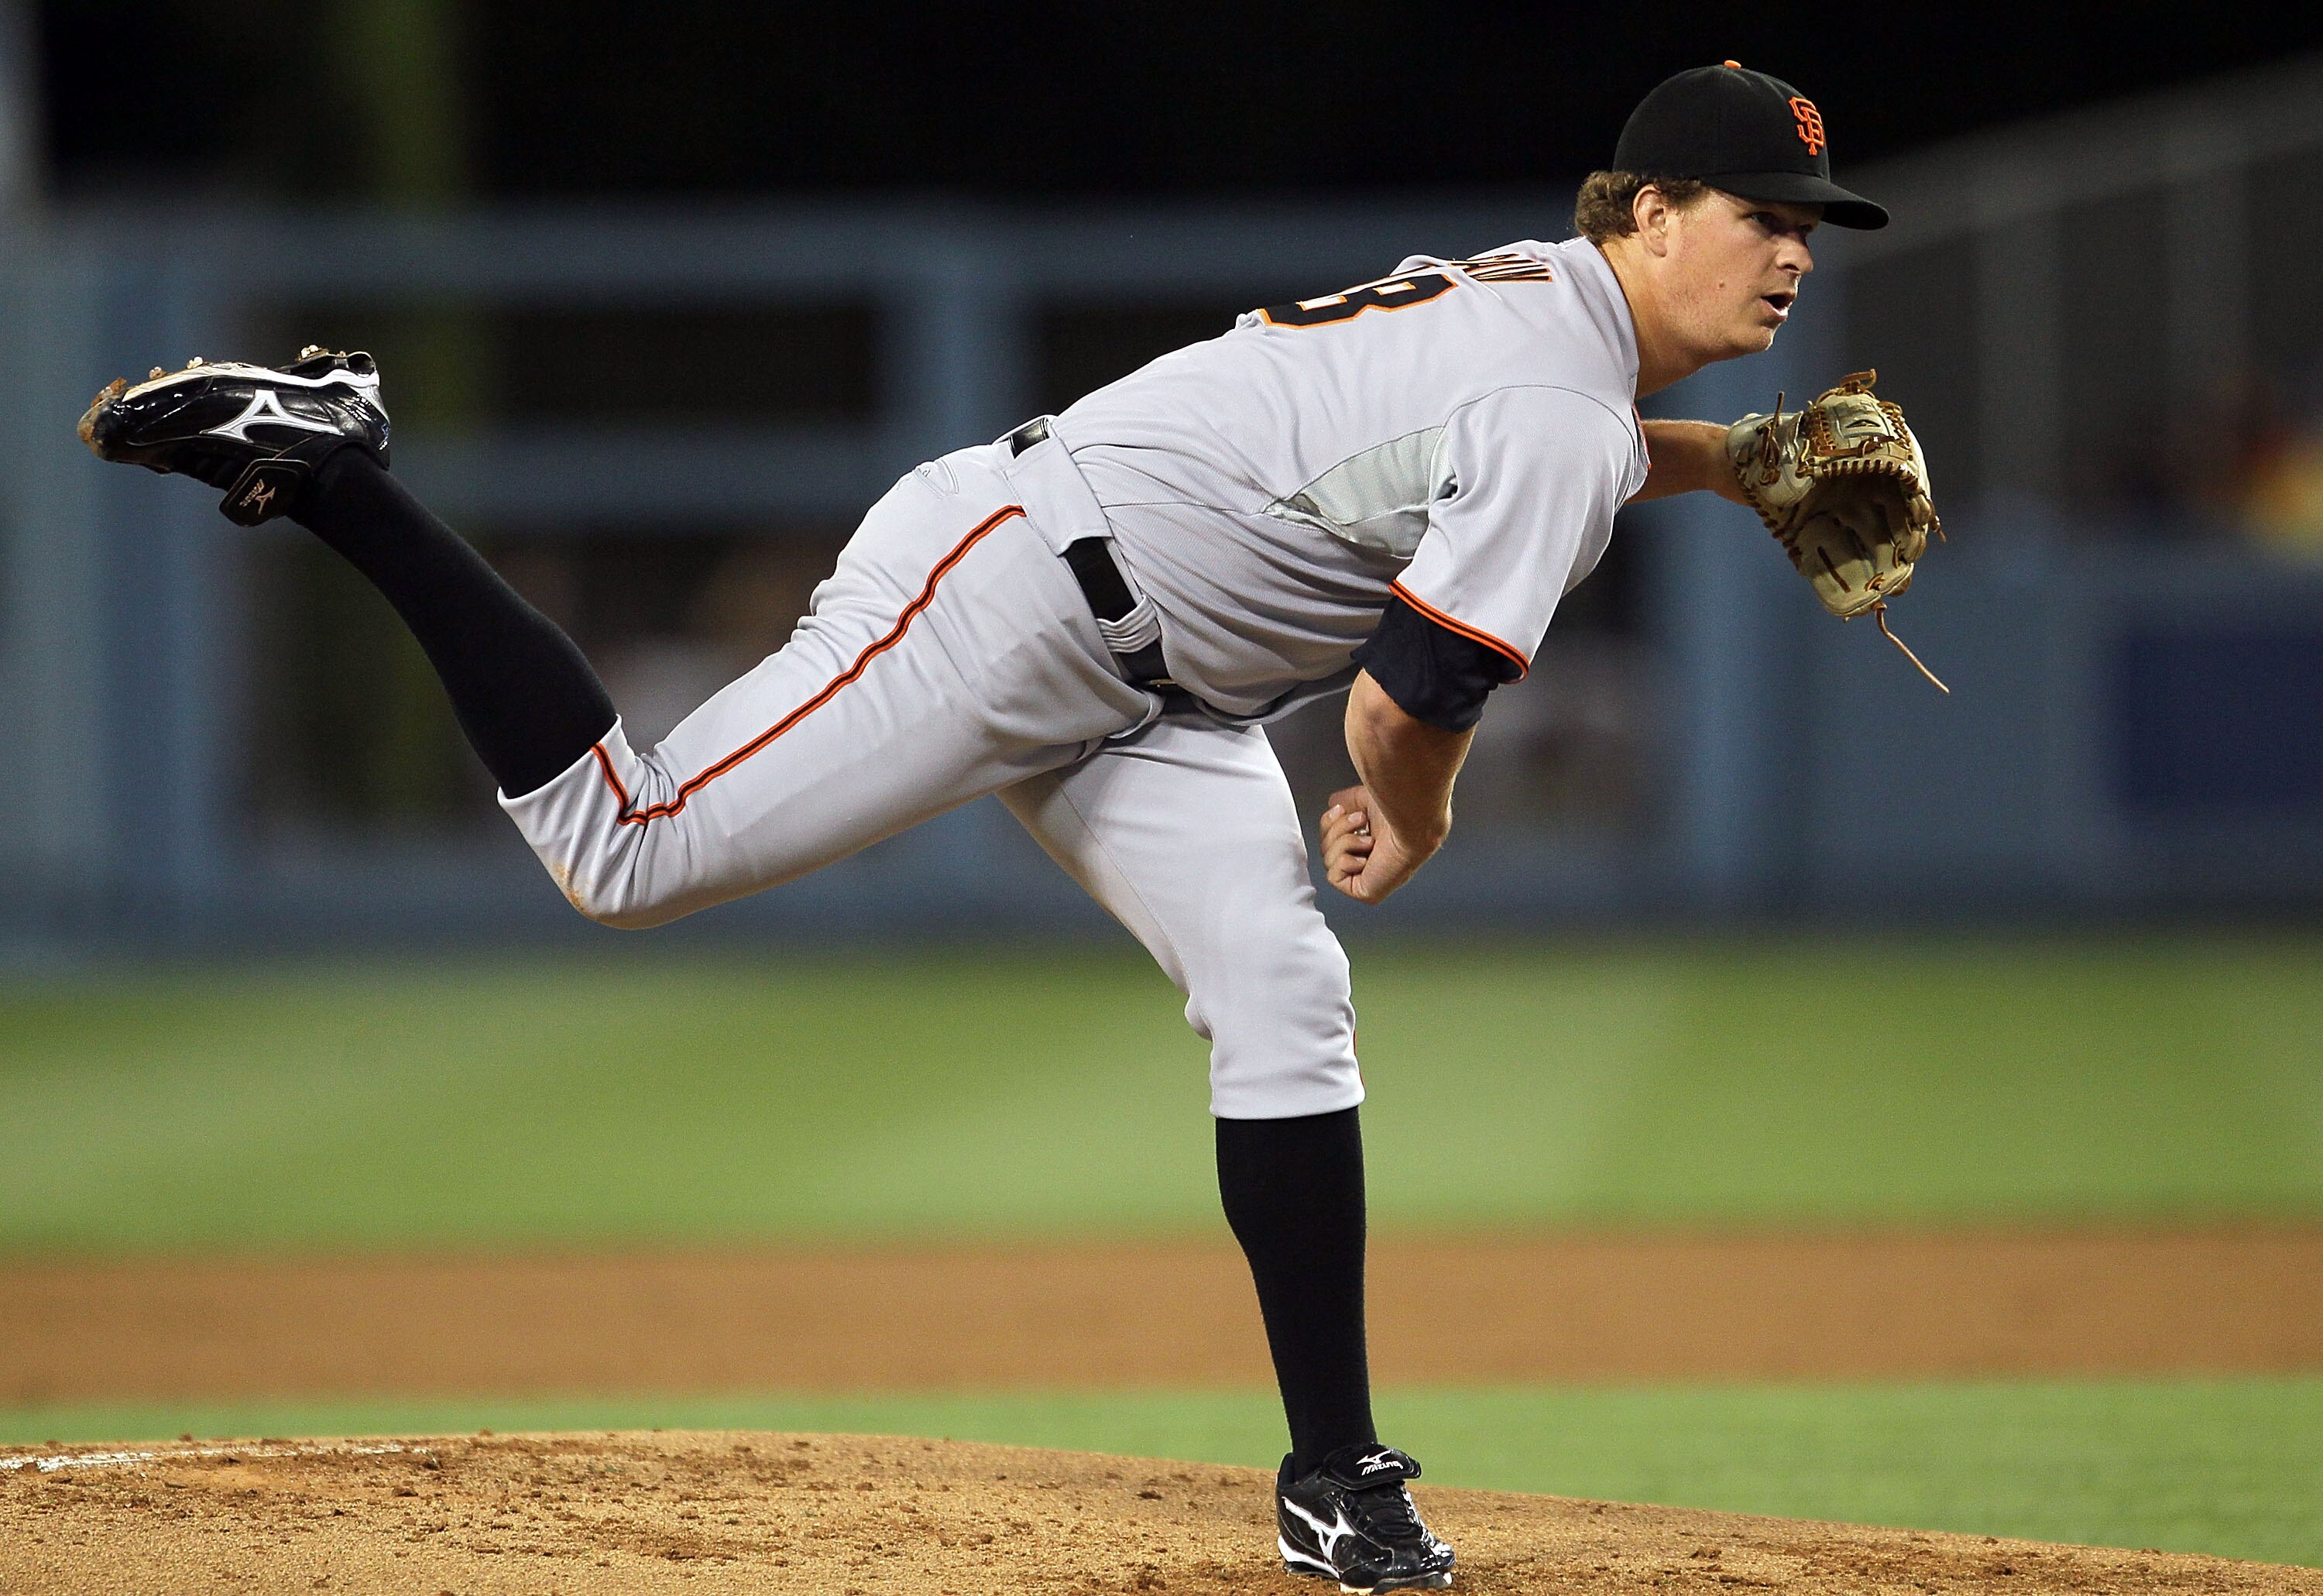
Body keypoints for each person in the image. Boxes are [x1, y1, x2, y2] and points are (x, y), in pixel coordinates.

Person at [81, 62, 1886, 1596]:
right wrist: (1413, 822)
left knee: (1280, 988)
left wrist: (1726, 462)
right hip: (1004, 596)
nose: (1796, 248)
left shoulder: (1545, 315)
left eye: (1812, 220)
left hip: (1148, 686)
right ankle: (340, 468)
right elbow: (1398, 709)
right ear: (1650, 211)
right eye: (1762, 210)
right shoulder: (1561, 390)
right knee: (620, 849)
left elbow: (1516, 446)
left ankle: (1335, 1472)